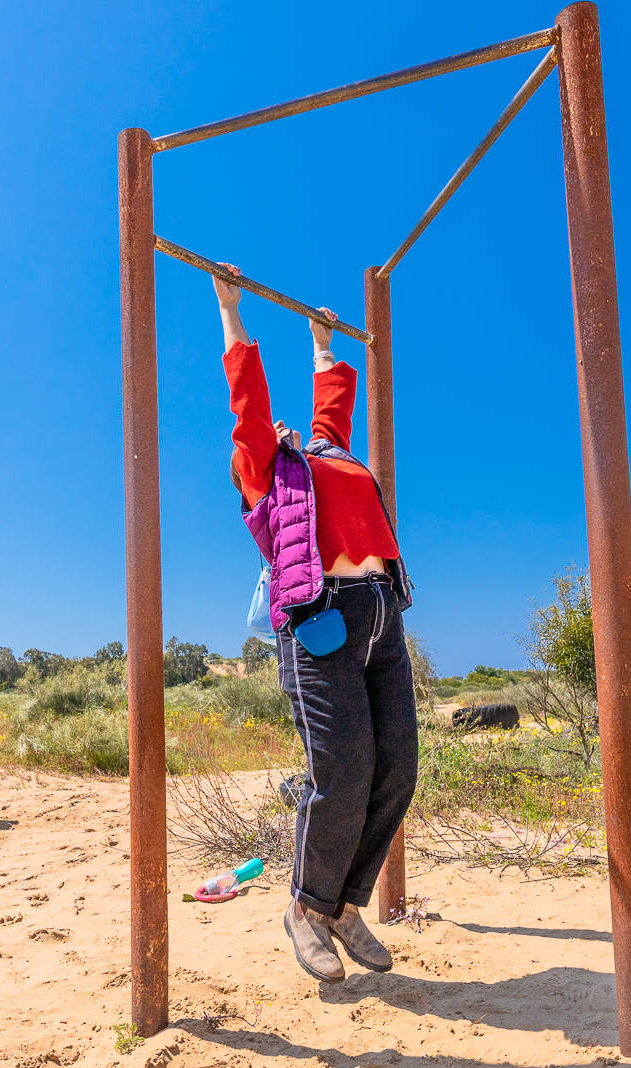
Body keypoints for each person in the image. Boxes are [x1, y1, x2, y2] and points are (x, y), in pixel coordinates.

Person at [214, 265, 418, 984]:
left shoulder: (326, 454)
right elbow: (249, 403)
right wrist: (231, 310)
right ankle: (306, 906)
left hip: (381, 614)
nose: (282, 428)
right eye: (267, 435)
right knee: (342, 768)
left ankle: (343, 906)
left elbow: (332, 410)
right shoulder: (269, 474)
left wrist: (321, 343)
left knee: (397, 766)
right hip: (320, 618)